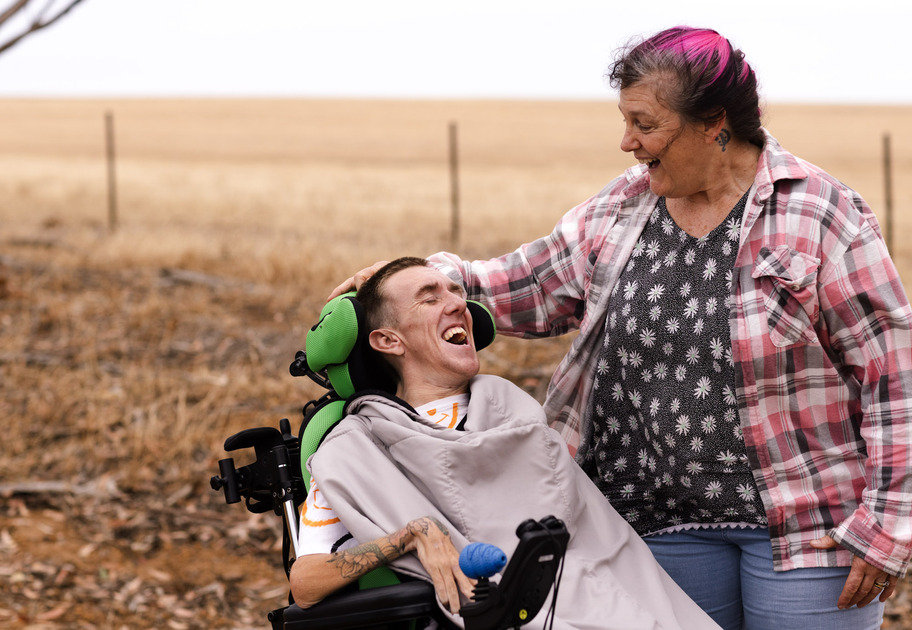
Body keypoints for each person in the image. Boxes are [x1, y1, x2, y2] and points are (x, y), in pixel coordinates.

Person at [328, 27, 912, 630]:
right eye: (625, 120)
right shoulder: (622, 208)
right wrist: (428, 278)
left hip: (803, 527)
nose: (627, 142)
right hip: (651, 524)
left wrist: (889, 522)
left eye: (645, 123)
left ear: (714, 122)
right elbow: (528, 284)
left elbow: (895, 377)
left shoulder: (819, 212)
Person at [292, 257, 720, 630]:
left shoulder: (512, 408)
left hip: (613, 593)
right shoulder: (355, 450)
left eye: (455, 292)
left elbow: (593, 534)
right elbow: (305, 584)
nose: (458, 303)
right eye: (429, 297)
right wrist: (408, 536)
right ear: (389, 340)